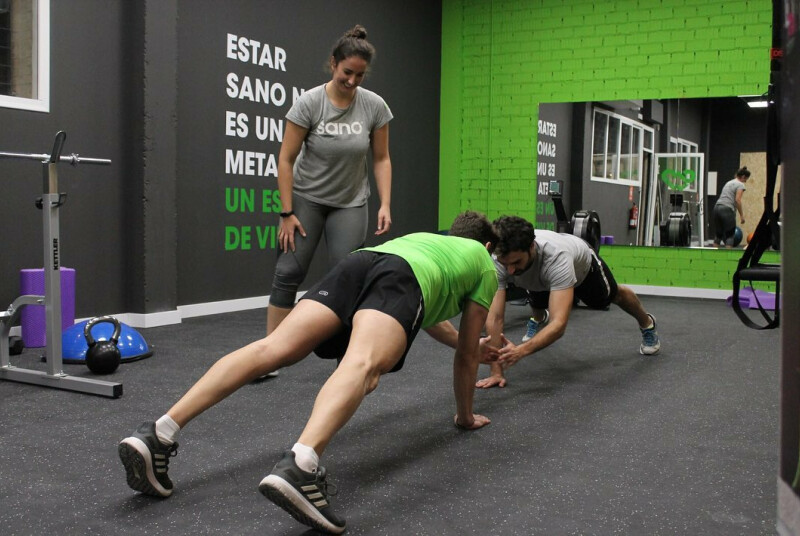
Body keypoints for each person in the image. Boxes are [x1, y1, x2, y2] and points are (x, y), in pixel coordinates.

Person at [118, 211, 499, 535]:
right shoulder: (483, 263)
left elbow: (426, 312)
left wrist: (463, 343)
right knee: (362, 365)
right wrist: (465, 416)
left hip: (359, 264)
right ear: (486, 246)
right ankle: (301, 465)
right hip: (401, 282)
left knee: (271, 348)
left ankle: (159, 432)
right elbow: (467, 353)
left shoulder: (430, 242)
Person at [268, 24, 394, 336]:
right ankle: (271, 352)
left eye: (359, 75)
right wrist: (286, 212)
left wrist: (385, 204)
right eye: (347, 72)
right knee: (288, 272)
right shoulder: (309, 103)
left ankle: (345, 355)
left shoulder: (374, 106)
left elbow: (381, 158)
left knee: (347, 278)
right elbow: (285, 159)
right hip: (306, 198)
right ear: (333, 63)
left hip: (350, 202)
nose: (352, 81)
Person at [476, 215, 661, 390]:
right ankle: (539, 318)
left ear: (531, 247)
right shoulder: (498, 258)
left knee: (612, 296)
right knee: (537, 300)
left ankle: (647, 323)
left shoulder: (557, 257)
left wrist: (521, 351)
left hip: (583, 272)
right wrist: (496, 371)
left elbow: (558, 325)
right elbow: (495, 318)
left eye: (516, 262)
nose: (509, 270)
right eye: (505, 263)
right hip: (538, 277)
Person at [712, 166, 750, 248]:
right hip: (726, 209)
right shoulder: (740, 184)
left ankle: (713, 253)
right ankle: (728, 254)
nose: (745, 181)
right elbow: (737, 200)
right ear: (743, 176)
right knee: (730, 235)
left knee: (718, 234)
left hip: (716, 208)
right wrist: (741, 215)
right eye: (746, 179)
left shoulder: (729, 182)